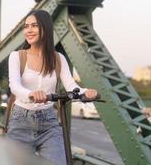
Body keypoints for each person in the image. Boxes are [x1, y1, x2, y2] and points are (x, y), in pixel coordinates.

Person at [7, 10, 98, 165]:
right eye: (26, 26)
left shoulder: (58, 59)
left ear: (45, 28)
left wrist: (86, 92)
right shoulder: (17, 56)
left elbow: (71, 87)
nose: (29, 30)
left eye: (34, 26)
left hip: (48, 123)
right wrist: (31, 94)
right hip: (21, 121)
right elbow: (14, 86)